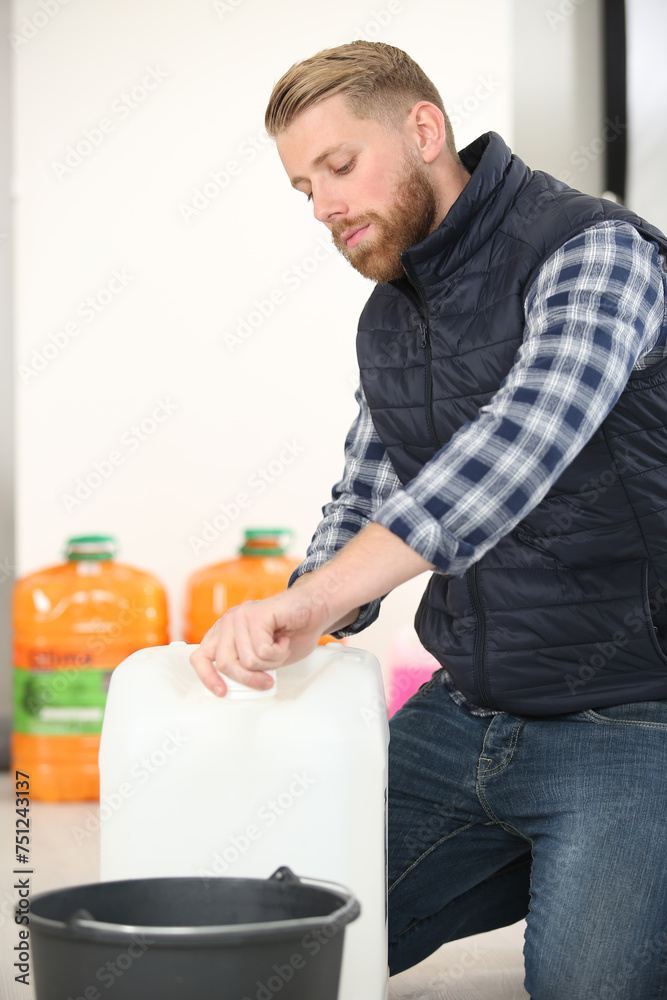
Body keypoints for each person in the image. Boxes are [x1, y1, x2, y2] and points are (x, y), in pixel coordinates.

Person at [190, 41, 667, 999]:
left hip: (633, 718)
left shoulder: (596, 252)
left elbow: (513, 454)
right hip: (468, 718)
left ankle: (621, 861)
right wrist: (304, 612)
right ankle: (581, 861)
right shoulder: (391, 314)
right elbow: (367, 492)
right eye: (300, 188)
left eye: (337, 166)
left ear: (422, 129)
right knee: (269, 957)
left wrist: (318, 598)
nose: (322, 206)